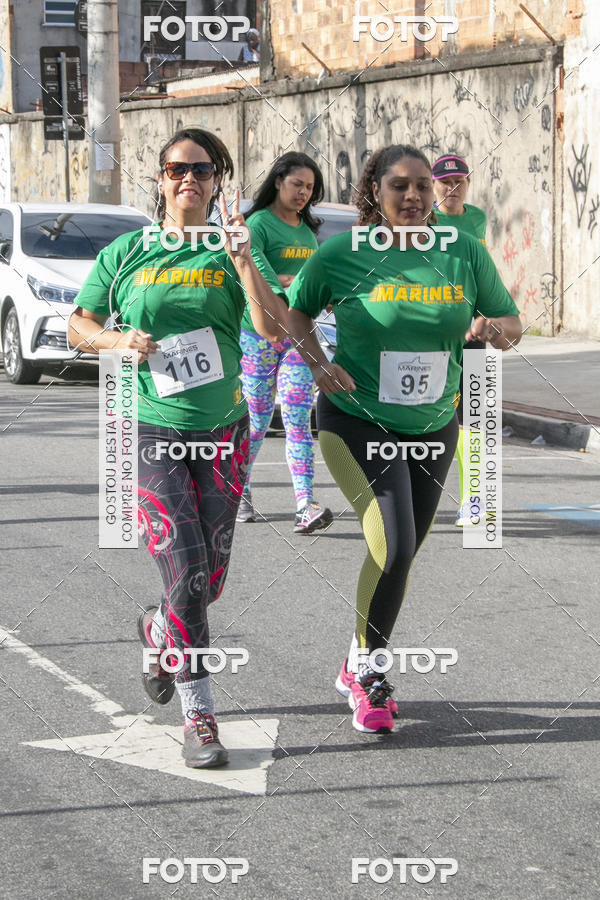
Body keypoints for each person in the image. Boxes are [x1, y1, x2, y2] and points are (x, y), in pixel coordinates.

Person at [68, 128, 288, 768]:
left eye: (201, 168)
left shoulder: (233, 251)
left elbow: (273, 328)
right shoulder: (128, 252)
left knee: (207, 582)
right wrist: (118, 343)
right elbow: (78, 324)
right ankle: (201, 716)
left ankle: (160, 629)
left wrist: (246, 262)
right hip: (150, 429)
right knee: (187, 571)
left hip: (225, 430)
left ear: (218, 180)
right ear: (160, 179)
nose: (187, 178)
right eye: (175, 168)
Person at [287, 145, 521, 734]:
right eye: (400, 186)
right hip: (356, 418)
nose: (414, 197)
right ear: (376, 194)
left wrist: (494, 330)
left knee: (403, 549)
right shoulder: (343, 254)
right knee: (391, 541)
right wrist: (317, 365)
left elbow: (511, 325)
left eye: (422, 186)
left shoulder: (463, 252)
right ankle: (371, 677)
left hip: (433, 422)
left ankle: (354, 658)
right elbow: (296, 314)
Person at [236, 152, 333, 534]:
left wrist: (319, 292)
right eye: (298, 184)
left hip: (298, 336)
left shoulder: (307, 232)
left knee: (297, 418)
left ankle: (305, 504)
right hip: (257, 335)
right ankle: (237, 488)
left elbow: (311, 282)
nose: (304, 193)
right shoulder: (257, 224)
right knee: (257, 420)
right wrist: (290, 283)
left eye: (310, 188)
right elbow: (256, 273)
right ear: (278, 181)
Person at [432, 154, 488, 526]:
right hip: (431, 331)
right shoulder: (423, 220)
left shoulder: (477, 218)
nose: (452, 189)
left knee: (474, 416)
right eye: (445, 182)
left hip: (470, 330)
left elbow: (483, 269)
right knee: (433, 415)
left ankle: (475, 499)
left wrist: (485, 313)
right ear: (433, 185)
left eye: (459, 182)